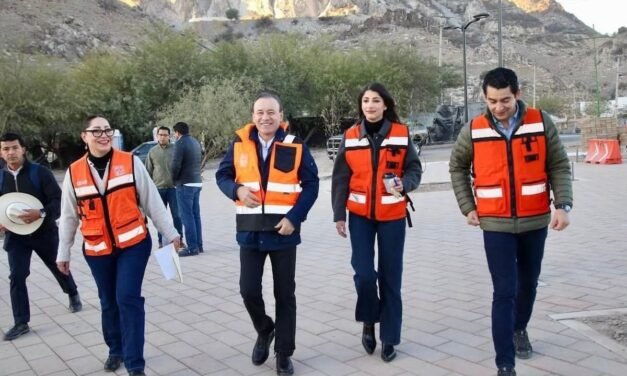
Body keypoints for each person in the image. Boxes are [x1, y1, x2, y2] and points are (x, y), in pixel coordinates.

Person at [449, 67, 573, 376]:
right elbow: (457, 168)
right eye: (492, 101)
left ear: (517, 94)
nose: (499, 107)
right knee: (504, 290)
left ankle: (520, 328)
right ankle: (505, 363)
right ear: (484, 97)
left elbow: (558, 164)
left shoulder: (541, 122)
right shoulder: (474, 129)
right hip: (495, 224)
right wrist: (468, 207)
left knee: (528, 284)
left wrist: (563, 205)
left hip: (535, 220)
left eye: (504, 100)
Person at [56, 116, 181, 376]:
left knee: (127, 297)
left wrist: (170, 233)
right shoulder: (74, 172)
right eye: (96, 131)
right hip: (97, 249)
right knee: (108, 301)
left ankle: (135, 364)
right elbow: (68, 216)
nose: (103, 135)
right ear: (84, 136)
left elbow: (152, 201)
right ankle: (115, 350)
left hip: (133, 244)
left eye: (107, 131)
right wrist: (63, 252)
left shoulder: (130, 162)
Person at [216, 91, 319, 376]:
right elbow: (222, 176)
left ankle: (284, 353)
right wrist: (235, 190)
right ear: (253, 116)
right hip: (249, 232)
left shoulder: (295, 145)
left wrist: (295, 218)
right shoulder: (237, 144)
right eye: (260, 112)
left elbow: (311, 185)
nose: (265, 117)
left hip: (283, 232)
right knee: (248, 290)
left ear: (280, 116)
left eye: (271, 112)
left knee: (285, 294)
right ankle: (265, 330)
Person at [331, 83, 422, 363]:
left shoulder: (401, 133)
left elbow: (414, 168)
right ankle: (369, 319)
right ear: (361, 106)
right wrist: (339, 215)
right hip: (360, 217)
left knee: (390, 278)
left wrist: (404, 184)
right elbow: (340, 177)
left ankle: (390, 338)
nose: (370, 105)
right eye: (366, 101)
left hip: (392, 217)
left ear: (386, 105)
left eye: (376, 100)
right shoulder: (350, 136)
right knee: (364, 274)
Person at [0, 132, 82, 341]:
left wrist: (41, 213)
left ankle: (72, 292)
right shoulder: (0, 177)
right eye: (6, 149)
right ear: (1, 152)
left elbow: (58, 203)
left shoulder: (40, 173)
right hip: (16, 237)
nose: (11, 152)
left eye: (14, 148)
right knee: (17, 276)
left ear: (23, 149)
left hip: (44, 232)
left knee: (58, 266)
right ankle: (21, 322)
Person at [145, 126, 184, 248]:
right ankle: (161, 241)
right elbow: (148, 171)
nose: (162, 137)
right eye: (160, 135)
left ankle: (179, 240)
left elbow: (181, 167)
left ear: (169, 136)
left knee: (177, 216)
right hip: (158, 189)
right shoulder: (152, 152)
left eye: (165, 135)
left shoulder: (175, 149)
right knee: (159, 217)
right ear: (157, 136)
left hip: (174, 189)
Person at [170, 121, 203, 257]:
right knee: (195, 215)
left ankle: (192, 247)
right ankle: (199, 245)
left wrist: (174, 180)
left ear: (177, 132)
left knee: (187, 216)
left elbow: (175, 165)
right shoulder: (195, 142)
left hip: (185, 184)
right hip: (196, 182)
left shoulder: (179, 143)